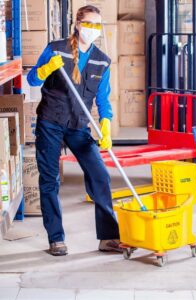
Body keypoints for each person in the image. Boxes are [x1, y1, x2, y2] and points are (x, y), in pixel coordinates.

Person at [27, 5, 121, 256]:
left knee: (100, 175)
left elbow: (102, 99)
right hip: (50, 122)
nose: (92, 29)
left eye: (97, 25)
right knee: (50, 181)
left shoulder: (102, 60)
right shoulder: (56, 49)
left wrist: (106, 125)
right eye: (88, 24)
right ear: (78, 24)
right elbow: (33, 80)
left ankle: (109, 237)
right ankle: (56, 238)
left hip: (79, 125)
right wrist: (46, 69)